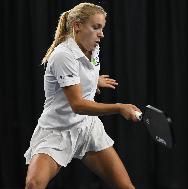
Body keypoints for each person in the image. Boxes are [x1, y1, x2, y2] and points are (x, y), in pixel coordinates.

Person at [24, 3, 140, 189]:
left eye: (102, 28)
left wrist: (94, 80)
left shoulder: (93, 49)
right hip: (57, 130)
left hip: (87, 127)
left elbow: (83, 74)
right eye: (96, 27)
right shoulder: (63, 55)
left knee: (126, 187)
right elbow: (77, 104)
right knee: (33, 184)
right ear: (77, 26)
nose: (101, 34)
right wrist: (119, 107)